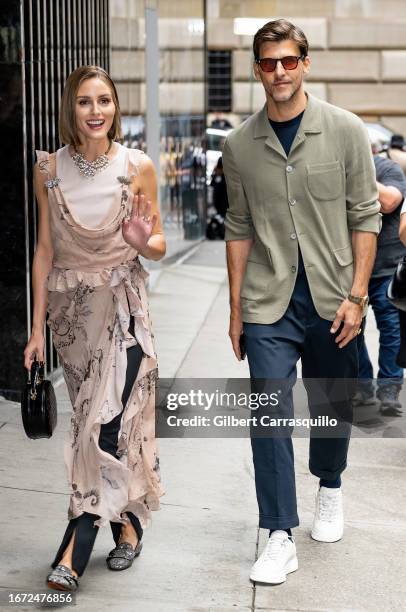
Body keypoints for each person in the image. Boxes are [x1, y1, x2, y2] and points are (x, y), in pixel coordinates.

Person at [223, 19, 380, 585]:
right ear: (257, 69)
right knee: (268, 407)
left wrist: (358, 296)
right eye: (269, 63)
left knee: (329, 403)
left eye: (289, 61)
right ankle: (279, 532)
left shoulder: (344, 130)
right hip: (268, 300)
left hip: (334, 296)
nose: (280, 72)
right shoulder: (240, 144)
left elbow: (365, 215)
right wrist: (237, 309)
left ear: (305, 63)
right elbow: (238, 226)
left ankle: (330, 484)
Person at [23, 65, 166, 591]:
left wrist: (138, 238)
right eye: (85, 102)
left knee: (101, 428)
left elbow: (159, 246)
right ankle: (127, 527)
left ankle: (74, 547)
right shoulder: (48, 170)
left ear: (116, 106)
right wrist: (35, 330)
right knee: (99, 425)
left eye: (104, 100)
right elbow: (43, 251)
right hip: (71, 320)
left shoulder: (137, 166)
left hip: (125, 313)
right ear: (71, 108)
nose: (95, 111)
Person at [354, 152, 406, 415]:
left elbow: (390, 201)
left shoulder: (387, 169)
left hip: (387, 267)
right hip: (351, 270)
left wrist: (356, 174)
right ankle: (362, 385)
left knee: (391, 330)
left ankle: (389, 388)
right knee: (350, 332)